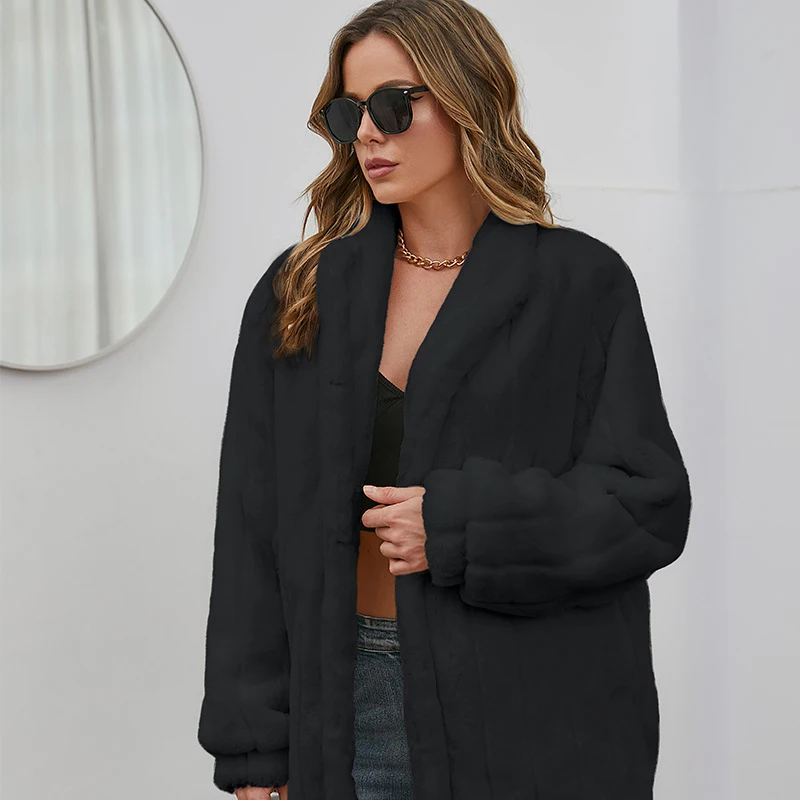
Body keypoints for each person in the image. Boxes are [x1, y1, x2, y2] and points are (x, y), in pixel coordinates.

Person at [197, 1, 693, 798]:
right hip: (348, 708)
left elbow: (647, 506)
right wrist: (254, 747)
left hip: (537, 711)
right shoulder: (301, 293)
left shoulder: (580, 285)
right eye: (349, 113)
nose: (368, 133)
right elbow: (254, 529)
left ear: (468, 96)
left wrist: (461, 528)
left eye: (394, 105)